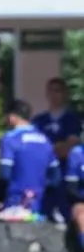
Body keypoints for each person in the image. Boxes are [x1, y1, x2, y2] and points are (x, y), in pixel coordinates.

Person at [0, 100, 60, 221]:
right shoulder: (45, 140)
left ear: (12, 117)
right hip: (39, 206)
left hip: (15, 204)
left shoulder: (10, 139)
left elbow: (5, 175)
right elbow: (55, 178)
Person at [32, 77, 82, 222]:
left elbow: (70, 148)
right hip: (43, 175)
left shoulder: (73, 119)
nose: (54, 95)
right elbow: (35, 151)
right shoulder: (39, 120)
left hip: (65, 172)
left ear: (65, 93)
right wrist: (56, 148)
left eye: (58, 91)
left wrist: (49, 150)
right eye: (50, 91)